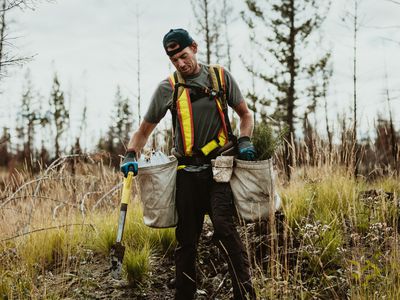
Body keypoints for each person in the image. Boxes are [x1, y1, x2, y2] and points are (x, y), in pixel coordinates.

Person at [121, 28, 257, 300]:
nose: (181, 64)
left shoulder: (220, 77)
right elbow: (144, 130)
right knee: (186, 242)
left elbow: (245, 115)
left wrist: (245, 140)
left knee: (225, 229)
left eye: (184, 56)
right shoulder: (167, 88)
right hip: (186, 174)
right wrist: (130, 154)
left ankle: (245, 295)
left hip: (219, 170)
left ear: (194, 47)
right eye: (175, 61)